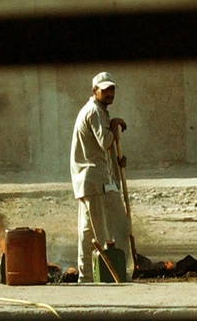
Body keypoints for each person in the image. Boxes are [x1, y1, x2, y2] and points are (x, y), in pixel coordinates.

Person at [70, 71, 131, 282]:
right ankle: (114, 274)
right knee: (113, 230)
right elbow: (105, 141)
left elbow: (101, 149)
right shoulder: (95, 111)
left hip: (89, 181)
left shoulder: (97, 110)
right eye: (105, 90)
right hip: (94, 182)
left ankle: (85, 277)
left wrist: (116, 161)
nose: (109, 93)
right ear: (94, 91)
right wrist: (114, 127)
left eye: (112, 89)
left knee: (87, 234)